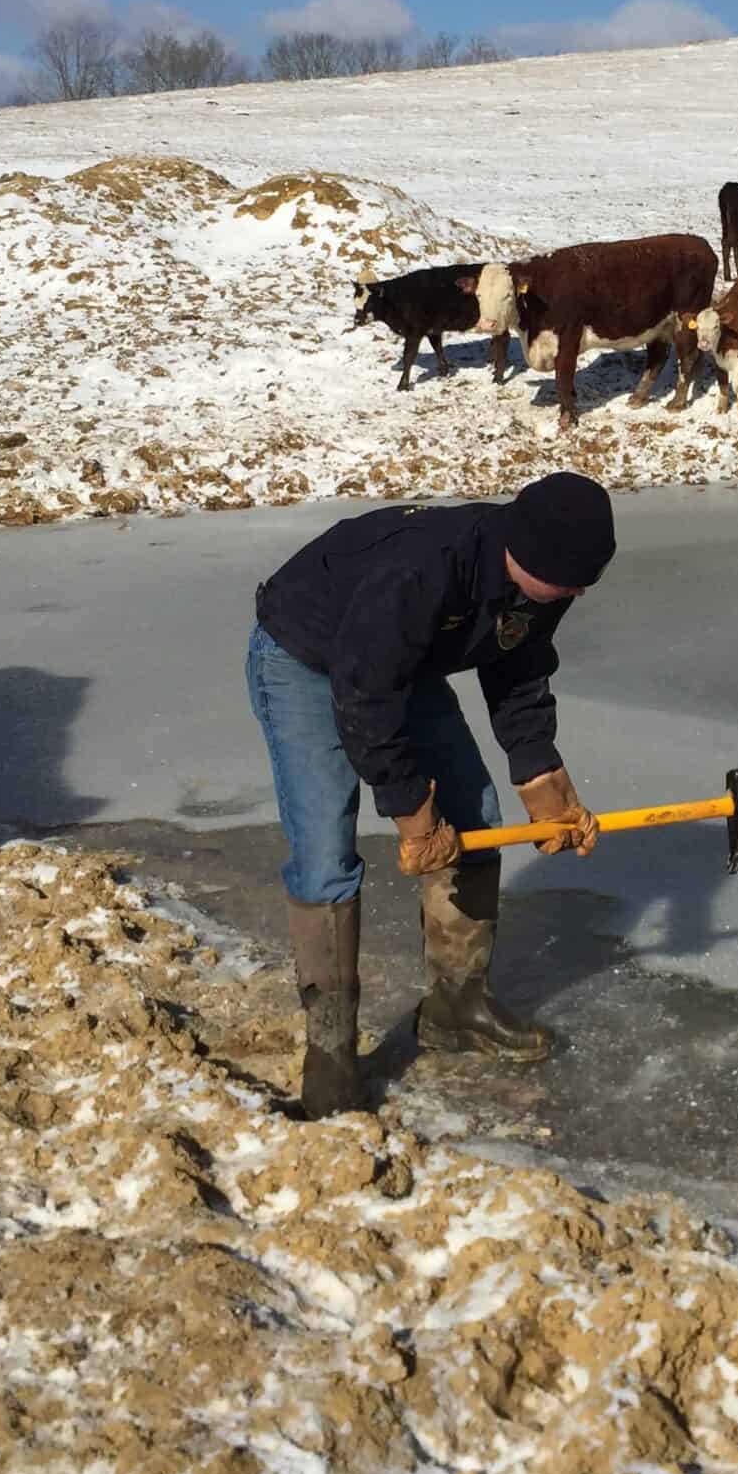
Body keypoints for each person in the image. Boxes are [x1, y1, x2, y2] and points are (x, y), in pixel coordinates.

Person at [247, 471, 614, 1118]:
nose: (579, 593)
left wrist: (541, 776)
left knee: (476, 817)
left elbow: (520, 667)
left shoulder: (549, 574)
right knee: (327, 856)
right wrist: (413, 812)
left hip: (400, 662)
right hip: (306, 656)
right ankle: (330, 1059)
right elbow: (364, 700)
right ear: (524, 553)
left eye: (586, 582)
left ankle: (456, 1006)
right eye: (570, 581)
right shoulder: (419, 571)